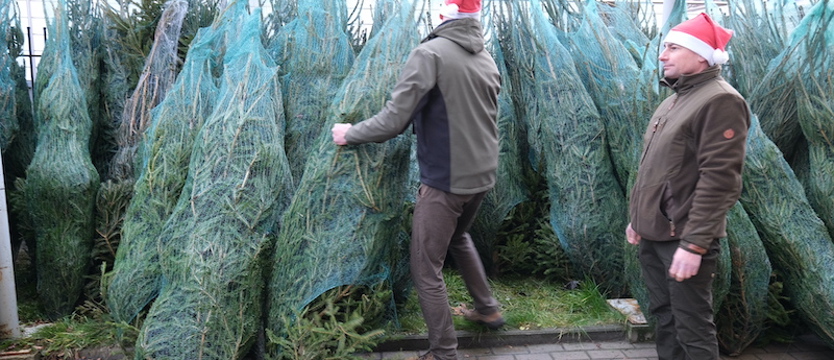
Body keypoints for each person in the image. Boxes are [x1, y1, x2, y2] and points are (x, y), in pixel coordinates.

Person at [331, 1, 503, 359]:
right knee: (458, 235)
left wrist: (351, 133)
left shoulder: (431, 54)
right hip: (482, 176)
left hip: (446, 181)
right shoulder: (485, 58)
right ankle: (487, 308)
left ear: (444, 14)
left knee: (425, 268)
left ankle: (443, 351)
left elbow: (394, 120)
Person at [625, 13, 751, 360]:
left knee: (691, 326)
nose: (663, 54)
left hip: (683, 237)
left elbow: (721, 180)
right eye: (664, 46)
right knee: (664, 319)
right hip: (654, 234)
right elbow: (660, 170)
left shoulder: (720, 101)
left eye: (673, 47)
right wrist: (639, 217)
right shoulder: (674, 99)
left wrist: (694, 244)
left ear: (701, 55)